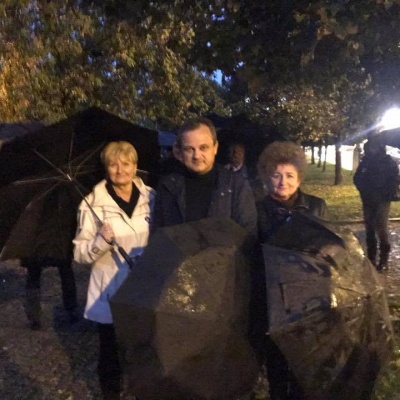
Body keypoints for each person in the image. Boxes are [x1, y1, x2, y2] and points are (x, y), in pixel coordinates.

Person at [73, 141, 155, 400]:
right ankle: (111, 394)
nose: (120, 170)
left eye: (126, 164)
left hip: (144, 288)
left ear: (135, 166)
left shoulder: (152, 197)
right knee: (110, 352)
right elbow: (79, 254)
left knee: (143, 348)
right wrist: (100, 242)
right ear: (106, 168)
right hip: (110, 290)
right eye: (113, 164)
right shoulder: (92, 204)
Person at [254, 140, 327, 400]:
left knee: (303, 364)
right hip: (272, 297)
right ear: (267, 177)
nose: (282, 182)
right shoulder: (257, 209)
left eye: (289, 175)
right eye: (276, 175)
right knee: (277, 363)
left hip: (306, 296)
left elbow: (326, 248)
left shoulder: (316, 206)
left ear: (299, 177)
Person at [154, 117, 256, 234]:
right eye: (189, 149)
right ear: (180, 151)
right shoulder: (168, 186)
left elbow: (248, 236)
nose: (197, 155)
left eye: (203, 148)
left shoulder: (236, 186)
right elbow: (159, 236)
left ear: (215, 148)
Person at [353, 135, 399, 271]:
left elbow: (395, 179)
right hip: (368, 199)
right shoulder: (366, 161)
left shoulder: (388, 162)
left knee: (381, 229)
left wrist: (385, 193)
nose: (371, 150)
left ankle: (384, 260)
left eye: (374, 147)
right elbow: (357, 178)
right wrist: (363, 190)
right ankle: (371, 258)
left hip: (382, 200)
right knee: (369, 229)